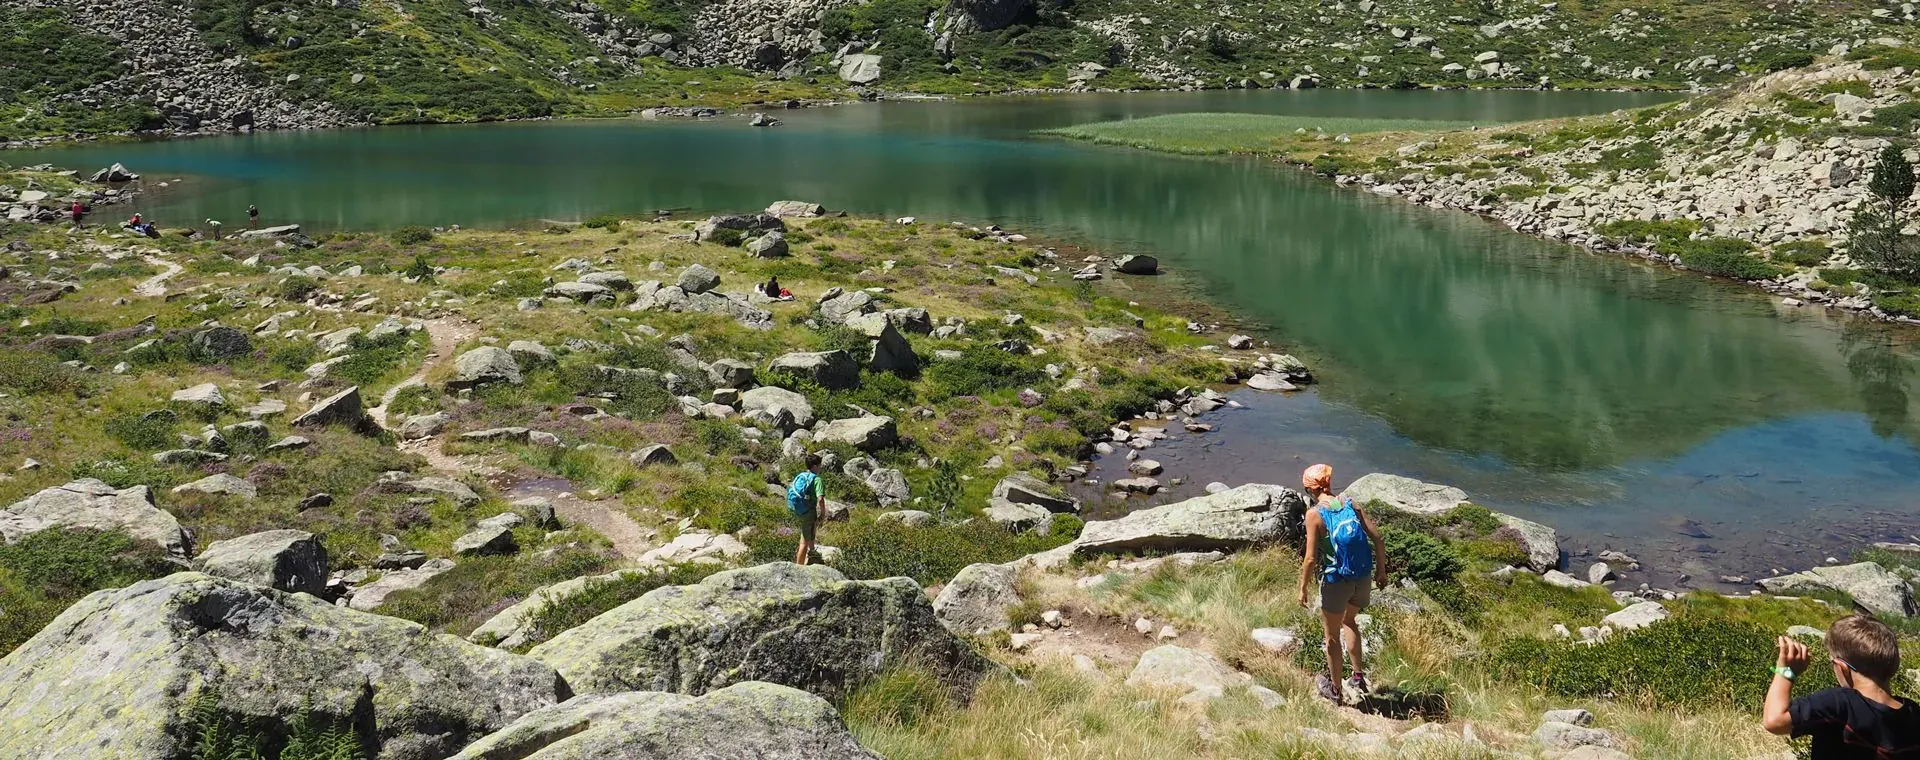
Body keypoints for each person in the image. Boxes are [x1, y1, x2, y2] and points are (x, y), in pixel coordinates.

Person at [1764, 614, 1920, 758]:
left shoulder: (1839, 703)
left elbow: (1774, 721)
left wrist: (1786, 672)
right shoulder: (1913, 713)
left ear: (1842, 668)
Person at [1295, 463, 1387, 703]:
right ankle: (1358, 677)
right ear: (1329, 483)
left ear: (1309, 489)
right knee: (1350, 621)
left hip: (1336, 581)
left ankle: (1335, 690)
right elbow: (1377, 538)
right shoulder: (1350, 503)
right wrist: (1382, 572)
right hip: (1362, 578)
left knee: (1332, 636)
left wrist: (1303, 587)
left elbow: (1311, 558)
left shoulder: (1315, 514)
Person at [785, 454, 825, 566]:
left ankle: (812, 553)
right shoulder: (817, 479)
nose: (820, 468)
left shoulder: (801, 475)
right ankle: (799, 567)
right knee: (804, 542)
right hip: (808, 511)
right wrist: (823, 513)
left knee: (811, 530)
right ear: (815, 466)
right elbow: (820, 498)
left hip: (798, 509)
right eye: (820, 465)